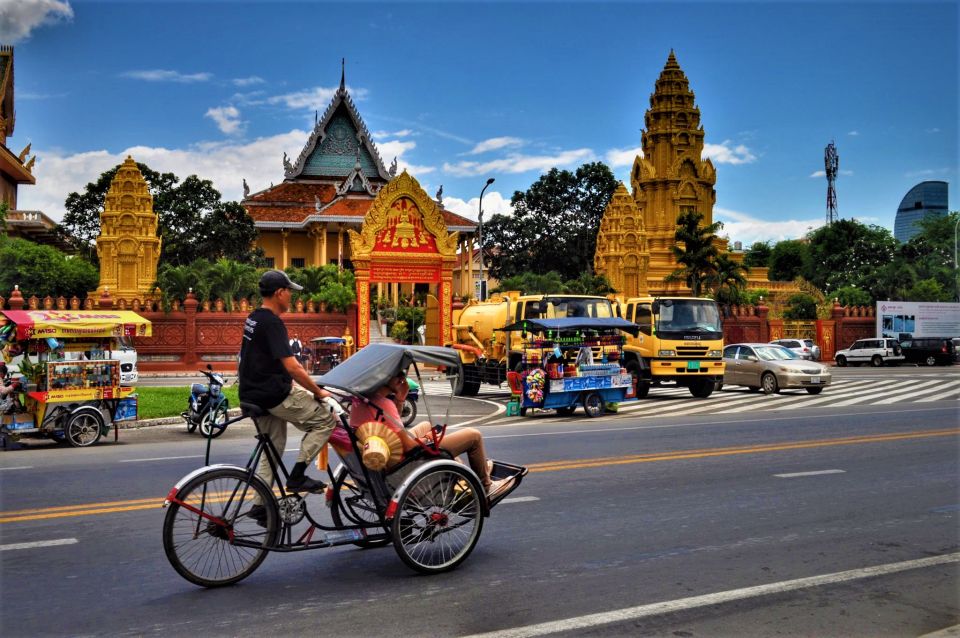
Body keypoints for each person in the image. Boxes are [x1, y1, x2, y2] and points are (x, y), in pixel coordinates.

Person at [238, 270, 338, 504]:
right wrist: (318, 391)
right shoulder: (272, 323)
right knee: (326, 420)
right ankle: (297, 476)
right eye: (289, 292)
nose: (291, 297)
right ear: (279, 293)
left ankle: (260, 507)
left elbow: (261, 358)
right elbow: (293, 366)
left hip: (252, 392)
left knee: (271, 450)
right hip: (273, 394)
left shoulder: (253, 318)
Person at [349, 369, 516, 500]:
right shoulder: (384, 405)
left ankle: (464, 472)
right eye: (398, 375)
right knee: (473, 435)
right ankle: (486, 485)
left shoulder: (359, 401)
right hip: (403, 457)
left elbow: (394, 423)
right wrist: (428, 438)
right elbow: (408, 446)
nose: (402, 378)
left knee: (426, 425)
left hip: (384, 446)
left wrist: (400, 399)